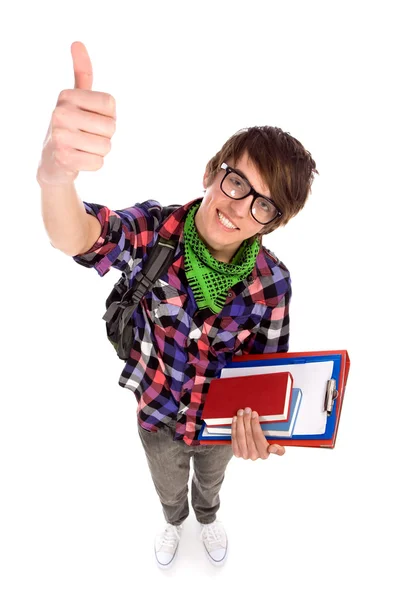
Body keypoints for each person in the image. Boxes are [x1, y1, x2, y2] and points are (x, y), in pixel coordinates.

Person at [37, 41, 318, 569]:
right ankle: (173, 520)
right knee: (169, 485)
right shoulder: (154, 231)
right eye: (236, 181)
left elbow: (268, 374)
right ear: (213, 171)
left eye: (262, 204)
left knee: (210, 484)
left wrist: (269, 432)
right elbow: (80, 236)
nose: (237, 208)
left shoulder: (273, 283)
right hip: (157, 415)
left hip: (217, 429)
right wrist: (56, 178)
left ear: (272, 222)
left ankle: (207, 518)